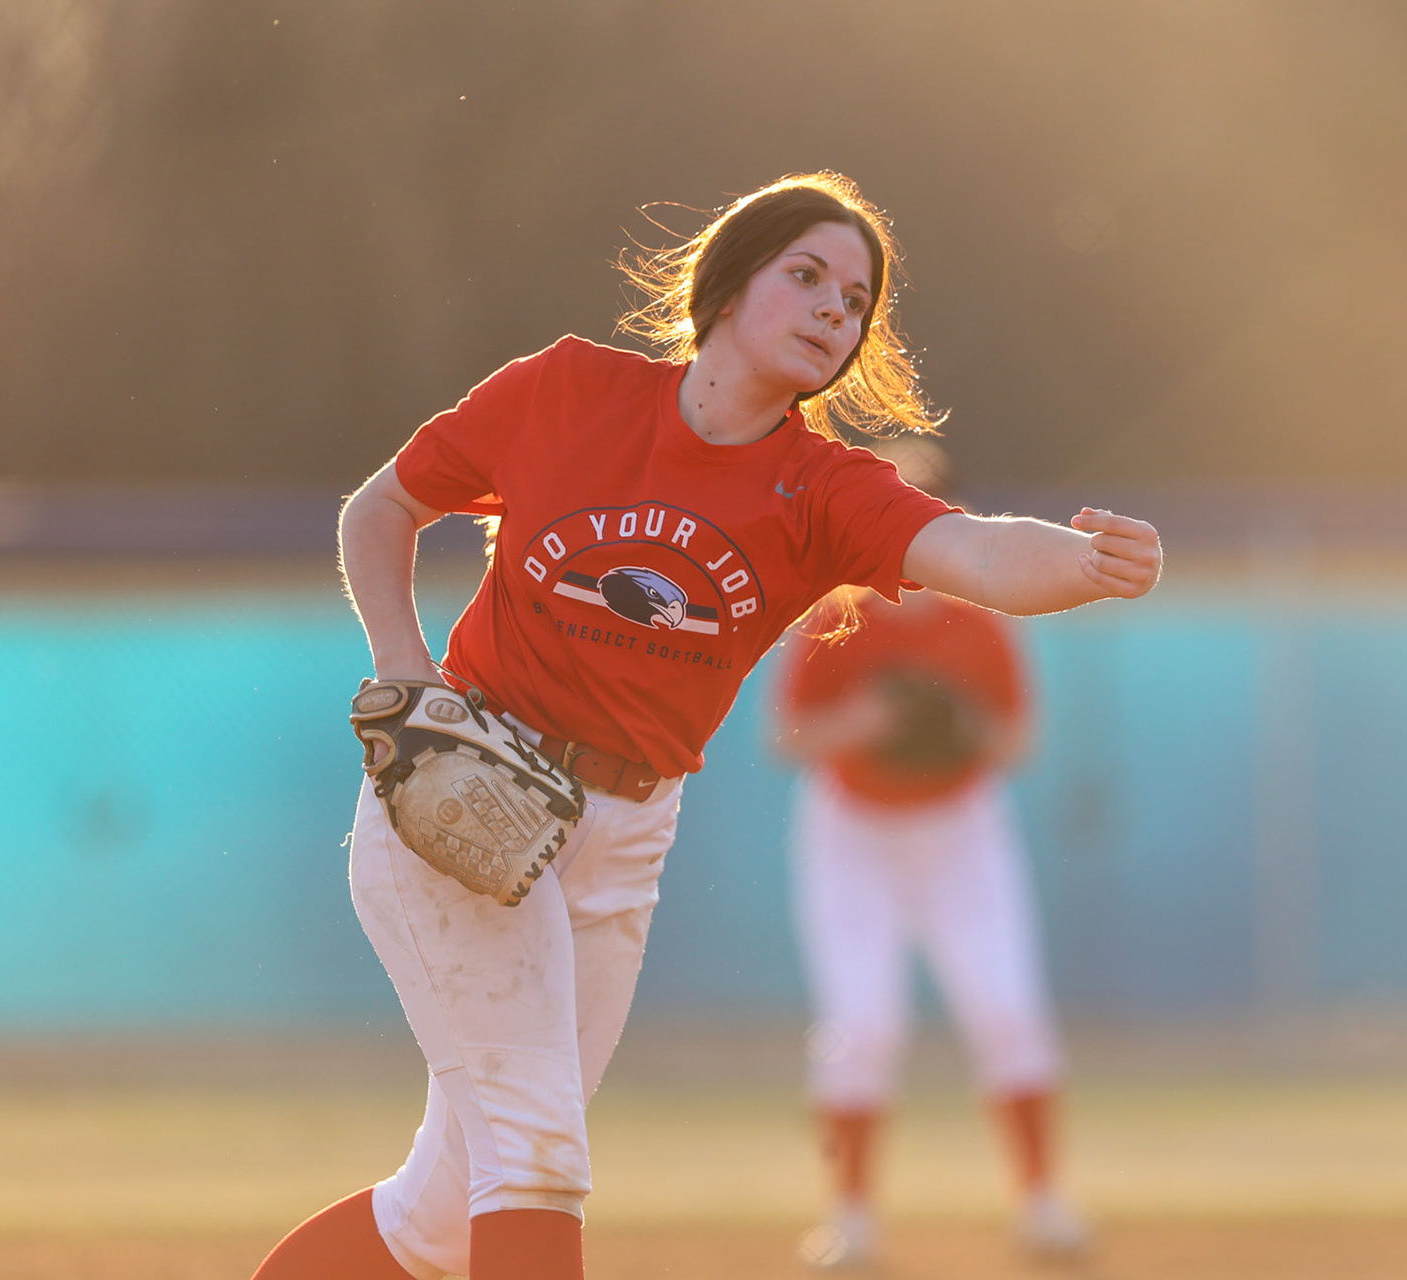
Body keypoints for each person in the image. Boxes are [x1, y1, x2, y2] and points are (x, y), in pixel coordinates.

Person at [250, 172, 1161, 1280]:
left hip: (624, 839)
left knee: (445, 1212)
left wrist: (1090, 563)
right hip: (470, 782)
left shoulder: (822, 489)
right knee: (535, 1153)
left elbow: (973, 552)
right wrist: (406, 673)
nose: (838, 307)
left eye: (858, 299)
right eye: (809, 274)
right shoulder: (568, 390)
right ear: (730, 285)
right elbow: (381, 506)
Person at [773, 437, 1088, 1269]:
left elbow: (1016, 740)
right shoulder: (837, 614)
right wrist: (866, 722)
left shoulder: (975, 621)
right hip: (852, 829)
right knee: (861, 1024)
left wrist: (956, 723)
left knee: (1007, 1010)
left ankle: (1043, 1204)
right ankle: (850, 1218)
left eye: (922, 499)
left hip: (958, 827)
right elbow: (787, 737)